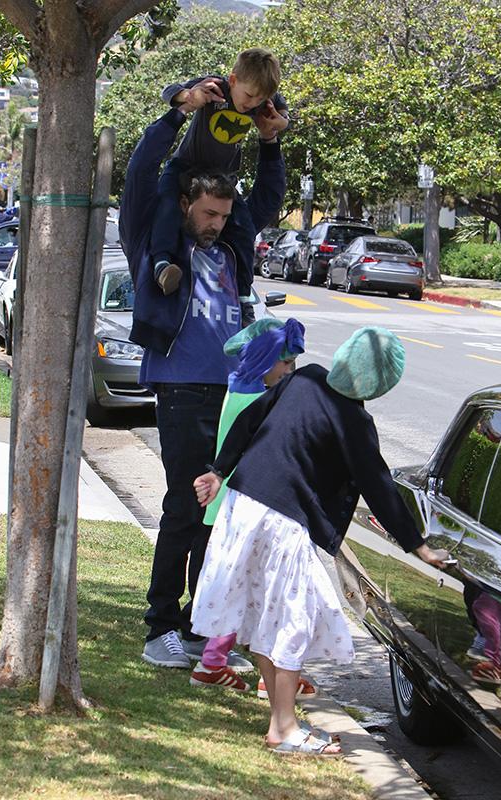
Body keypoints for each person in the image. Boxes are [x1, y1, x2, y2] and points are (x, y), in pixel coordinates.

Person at [192, 327, 451, 756]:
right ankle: (286, 729)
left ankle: (282, 723)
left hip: (244, 506)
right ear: (382, 382)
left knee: (261, 615)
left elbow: (248, 419)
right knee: (292, 619)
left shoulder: (306, 377)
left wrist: (218, 472)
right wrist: (419, 546)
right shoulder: (355, 420)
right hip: (282, 521)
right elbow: (379, 486)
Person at [118, 90, 286, 669]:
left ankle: (197, 625)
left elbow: (266, 198)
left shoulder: (232, 247)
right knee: (185, 505)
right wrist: (177, 111)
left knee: (217, 511)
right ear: (188, 204)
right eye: (208, 214)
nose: (216, 224)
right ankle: (160, 626)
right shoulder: (153, 237)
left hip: (231, 390)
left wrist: (271, 143)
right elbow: (142, 174)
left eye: (222, 215)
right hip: (182, 386)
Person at [189, 317, 305, 693]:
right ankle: (254, 670)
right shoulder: (260, 400)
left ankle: (218, 663)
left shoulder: (239, 387)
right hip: (244, 506)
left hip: (228, 503)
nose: (291, 370)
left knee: (247, 588)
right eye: (285, 363)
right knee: (263, 589)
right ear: (266, 361)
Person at [150, 48, 289, 325]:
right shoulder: (216, 86)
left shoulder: (262, 100)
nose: (253, 104)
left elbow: (282, 112)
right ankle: (162, 265)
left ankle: (242, 294)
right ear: (233, 80)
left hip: (223, 179)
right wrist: (189, 97)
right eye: (249, 96)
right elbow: (169, 91)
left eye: (261, 99)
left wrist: (280, 123)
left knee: (244, 228)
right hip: (185, 168)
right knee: (166, 208)